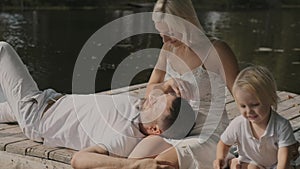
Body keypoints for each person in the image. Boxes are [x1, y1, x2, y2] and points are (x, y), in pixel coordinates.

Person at [71, 0, 239, 168]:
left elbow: (241, 98)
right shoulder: (168, 48)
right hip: (171, 128)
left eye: (170, 32)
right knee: (135, 162)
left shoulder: (216, 50)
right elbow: (151, 88)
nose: (164, 38)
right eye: (160, 32)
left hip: (206, 131)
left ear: (186, 22)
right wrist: (165, 86)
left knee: (160, 163)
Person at [0, 41, 196, 157]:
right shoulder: (141, 110)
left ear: (155, 130)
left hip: (35, 114)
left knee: (3, 49)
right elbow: (153, 90)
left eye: (158, 103)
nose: (154, 99)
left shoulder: (124, 137)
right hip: (50, 99)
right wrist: (167, 84)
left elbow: (89, 157)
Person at [213, 66, 299, 169]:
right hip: (251, 162)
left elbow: (283, 159)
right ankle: (234, 162)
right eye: (243, 106)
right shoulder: (238, 124)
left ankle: (235, 163)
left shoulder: (281, 126)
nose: (249, 111)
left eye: (255, 105)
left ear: (270, 99)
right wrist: (220, 158)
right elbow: (223, 143)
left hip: (275, 165)